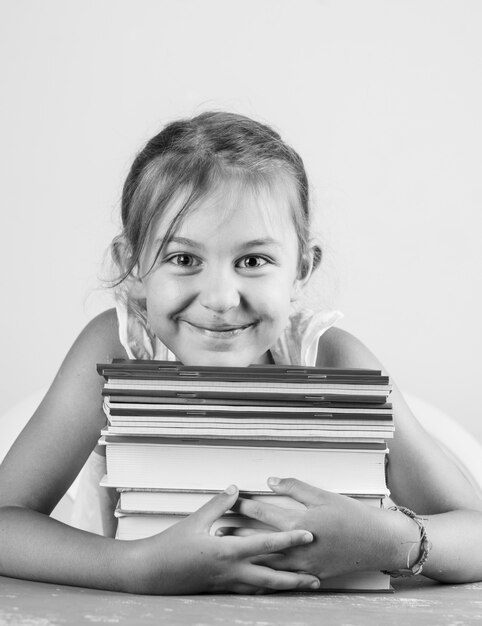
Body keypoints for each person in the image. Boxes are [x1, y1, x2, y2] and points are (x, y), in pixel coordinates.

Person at [0, 112, 481, 595]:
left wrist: (390, 542)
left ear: (302, 269)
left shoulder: (333, 359)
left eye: (253, 261)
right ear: (133, 264)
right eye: (183, 259)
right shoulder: (117, 349)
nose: (221, 298)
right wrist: (136, 566)